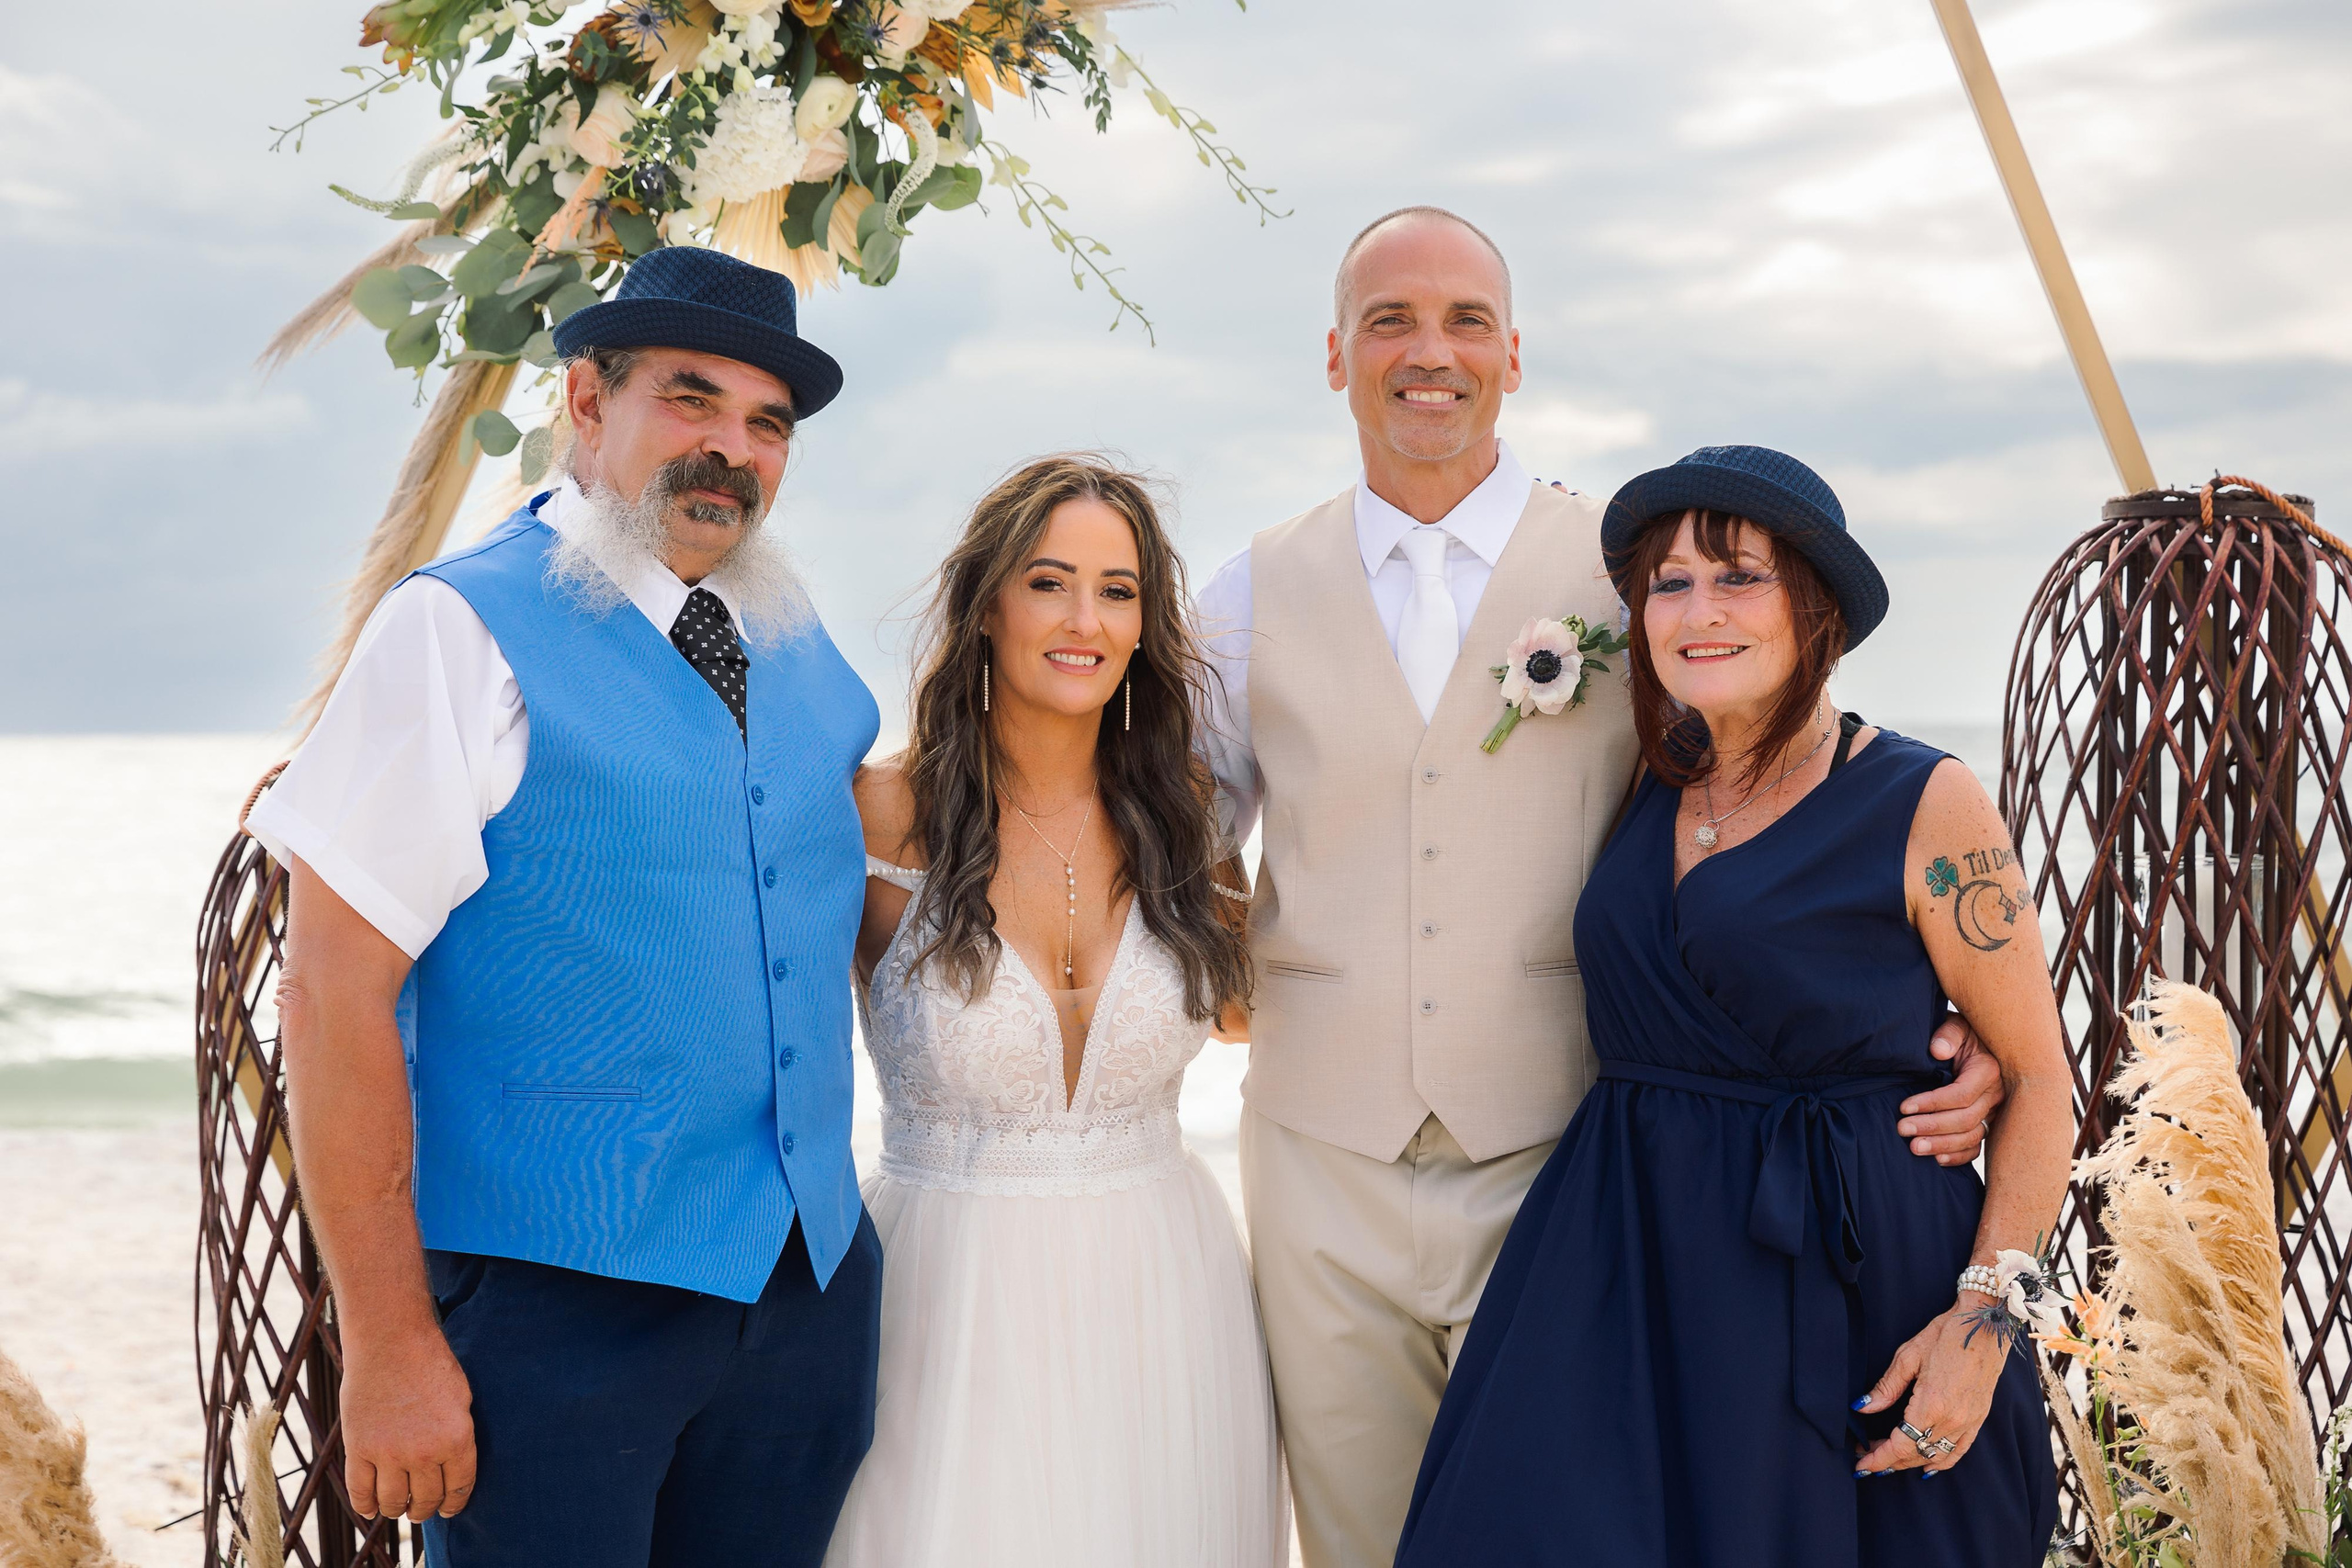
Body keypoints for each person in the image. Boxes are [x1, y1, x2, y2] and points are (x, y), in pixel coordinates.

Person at [1192, 207, 2011, 1567]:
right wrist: (1211, 982)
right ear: (1335, 356)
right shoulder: (1250, 588)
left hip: (1573, 1159)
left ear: (1514, 355)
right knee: (1356, 1540)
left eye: (1465, 321)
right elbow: (1170, 832)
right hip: (1317, 1157)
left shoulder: (1634, 578)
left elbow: (1792, 807)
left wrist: (1927, 1018)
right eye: (1390, 319)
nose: (1429, 350)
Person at [252, 246, 884, 1567]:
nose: (732, 449)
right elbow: (330, 994)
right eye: (691, 399)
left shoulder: (792, 636)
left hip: (803, 1292)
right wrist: (387, 1342)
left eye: (767, 423)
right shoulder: (458, 630)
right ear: (588, 404)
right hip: (555, 1315)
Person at [1394, 446, 2071, 1565]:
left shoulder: (1924, 796)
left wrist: (1983, 1322)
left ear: (1815, 609)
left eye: (1738, 577)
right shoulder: (1643, 771)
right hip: (1624, 1261)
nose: (1697, 610)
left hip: (1850, 1275)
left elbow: (2040, 1077)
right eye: (1669, 583)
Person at [826, 455, 1286, 1566]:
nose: (1084, 618)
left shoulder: (1182, 814)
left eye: (1118, 590)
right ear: (987, 605)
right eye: (1048, 581)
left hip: (1166, 1294)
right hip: (949, 1297)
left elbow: (1249, 1009)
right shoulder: (880, 816)